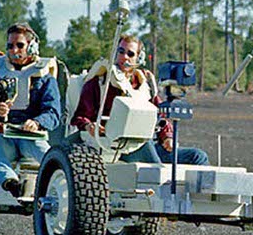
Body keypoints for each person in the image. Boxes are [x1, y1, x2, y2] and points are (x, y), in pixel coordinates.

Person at [71, 35, 208, 165]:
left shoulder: (144, 86)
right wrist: (89, 126)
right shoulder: (99, 83)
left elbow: (161, 116)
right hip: (115, 147)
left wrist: (167, 137)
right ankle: (163, 186)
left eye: (130, 54)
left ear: (138, 58)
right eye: (121, 51)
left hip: (148, 144)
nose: (124, 57)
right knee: (153, 161)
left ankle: (203, 190)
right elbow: (81, 116)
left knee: (198, 157)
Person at [0, 23, 61, 196]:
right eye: (10, 46)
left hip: (31, 138)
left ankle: (60, 191)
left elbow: (54, 113)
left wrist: (37, 122)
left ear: (32, 46)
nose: (14, 50)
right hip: (5, 137)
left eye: (19, 45)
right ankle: (11, 183)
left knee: (50, 157)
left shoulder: (45, 78)